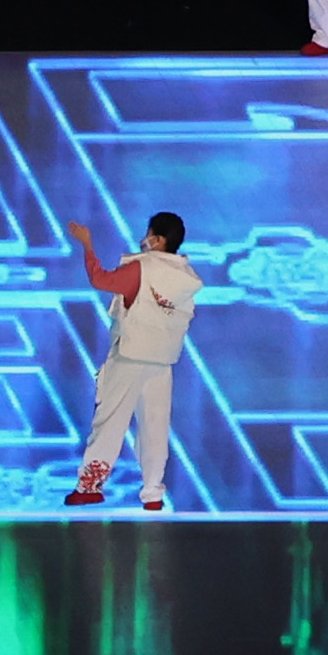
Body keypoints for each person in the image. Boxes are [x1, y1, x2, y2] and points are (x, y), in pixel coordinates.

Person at [64, 208, 206, 509]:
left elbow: (100, 279)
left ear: (158, 239)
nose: (143, 240)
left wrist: (87, 245)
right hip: (162, 361)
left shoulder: (144, 268)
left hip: (129, 356)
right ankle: (153, 492)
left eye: (148, 234)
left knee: (110, 421)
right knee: (154, 427)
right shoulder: (186, 277)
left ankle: (90, 486)